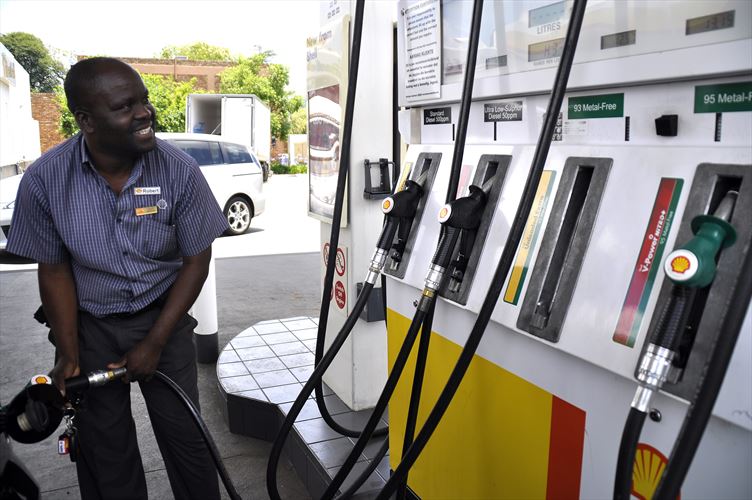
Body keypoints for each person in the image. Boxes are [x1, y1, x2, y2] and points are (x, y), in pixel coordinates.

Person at [6, 57, 228, 500]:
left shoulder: (178, 170)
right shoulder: (45, 180)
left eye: (143, 100)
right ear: (86, 120)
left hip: (164, 319)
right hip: (91, 328)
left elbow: (196, 260)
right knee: (107, 453)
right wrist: (68, 353)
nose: (145, 112)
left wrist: (155, 341)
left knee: (188, 443)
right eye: (126, 106)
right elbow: (54, 270)